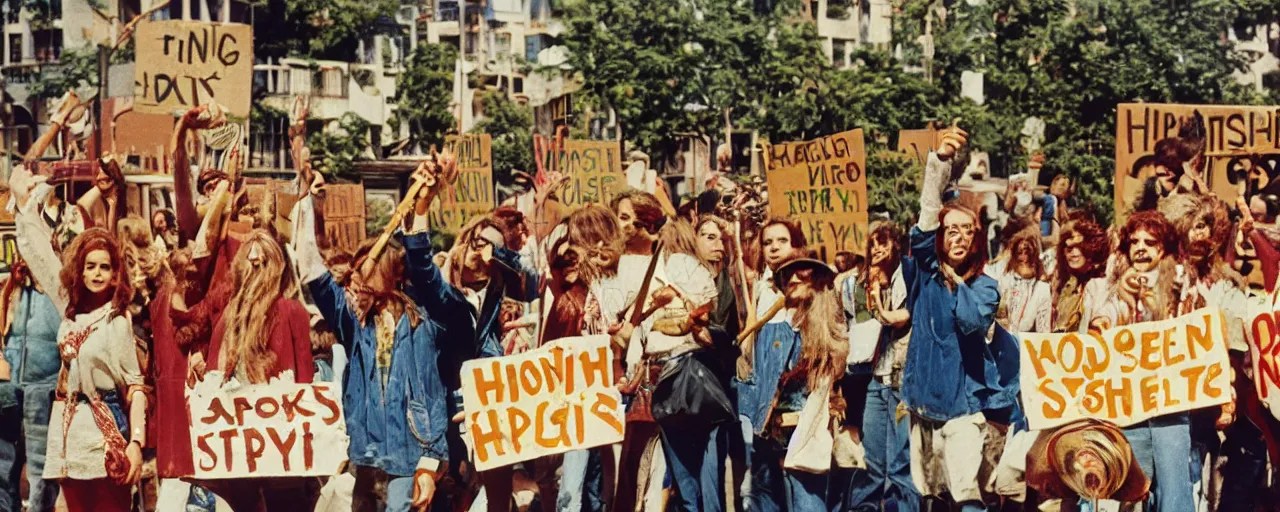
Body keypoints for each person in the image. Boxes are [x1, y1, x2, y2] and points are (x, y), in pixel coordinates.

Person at [295, 173, 451, 512]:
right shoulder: (353, 321)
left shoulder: (421, 325)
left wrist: (430, 461)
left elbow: (431, 394)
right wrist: (312, 205)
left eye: (366, 267)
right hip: (363, 453)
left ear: (392, 273)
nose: (355, 277)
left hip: (408, 452)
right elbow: (310, 268)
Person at [900, 129, 1007, 512]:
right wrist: (940, 163)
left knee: (966, 494)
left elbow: (970, 323)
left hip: (965, 409)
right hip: (921, 403)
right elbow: (927, 217)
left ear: (977, 240)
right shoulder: (926, 272)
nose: (958, 238)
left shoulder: (985, 288)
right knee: (929, 494)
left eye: (967, 231)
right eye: (951, 231)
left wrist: (955, 280)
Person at [190, 230, 319, 511]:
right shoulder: (230, 315)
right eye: (251, 263)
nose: (256, 270)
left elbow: (304, 378)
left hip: (278, 439)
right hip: (241, 442)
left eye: (262, 263)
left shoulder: (291, 311)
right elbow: (215, 373)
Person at [1090, 210, 1193, 512]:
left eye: (1150, 242)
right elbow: (1102, 322)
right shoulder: (1117, 285)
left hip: (1170, 402)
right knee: (1130, 488)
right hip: (1129, 403)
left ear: (1164, 248)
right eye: (1134, 241)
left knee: (1174, 489)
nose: (1141, 248)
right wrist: (1102, 324)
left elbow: (1198, 329)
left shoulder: (1182, 282)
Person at [738, 256, 847, 510]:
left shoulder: (829, 330)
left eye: (803, 273)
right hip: (770, 434)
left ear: (817, 282)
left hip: (806, 432)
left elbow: (837, 370)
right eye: (788, 276)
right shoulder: (774, 329)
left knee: (807, 504)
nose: (794, 279)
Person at [843, 220, 919, 512]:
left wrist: (879, 304)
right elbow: (859, 323)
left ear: (896, 244)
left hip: (903, 379)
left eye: (883, 242)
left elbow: (903, 316)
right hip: (876, 378)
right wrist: (869, 291)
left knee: (901, 460)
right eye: (872, 243)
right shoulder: (863, 282)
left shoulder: (910, 274)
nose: (877, 249)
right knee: (871, 457)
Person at [0, 257, 62, 512]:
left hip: (42, 386)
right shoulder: (14, 289)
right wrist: (12, 285)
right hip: (9, 385)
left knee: (41, 462)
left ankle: (40, 508)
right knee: (5, 463)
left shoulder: (58, 288)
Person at [1051, 215, 1110, 334]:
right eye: (1068, 248)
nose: (1073, 253)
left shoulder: (1103, 285)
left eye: (1079, 247)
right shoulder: (1063, 286)